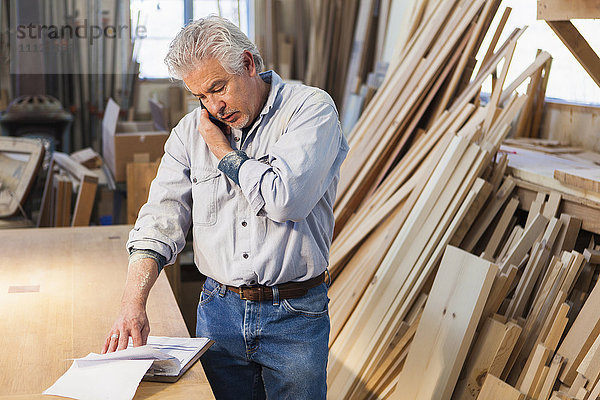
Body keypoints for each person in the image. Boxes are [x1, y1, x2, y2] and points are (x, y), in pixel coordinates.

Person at [102, 15, 349, 399]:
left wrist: (222, 151)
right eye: (201, 96)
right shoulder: (189, 131)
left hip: (295, 316)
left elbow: (286, 200)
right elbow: (160, 218)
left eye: (219, 88)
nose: (214, 107)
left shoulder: (310, 110)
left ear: (249, 64)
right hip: (219, 312)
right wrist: (132, 303)